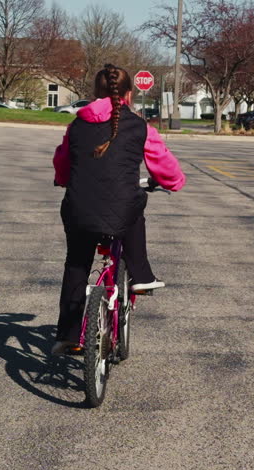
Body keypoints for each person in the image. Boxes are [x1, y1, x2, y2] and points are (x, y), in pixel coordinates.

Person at [51, 64, 186, 355]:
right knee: (133, 208)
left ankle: (68, 335)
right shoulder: (139, 126)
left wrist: (63, 180)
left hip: (78, 209)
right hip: (120, 209)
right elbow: (163, 164)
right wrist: (174, 183)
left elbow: (62, 162)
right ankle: (141, 276)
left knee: (76, 265)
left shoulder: (76, 124)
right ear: (128, 94)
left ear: (95, 93)